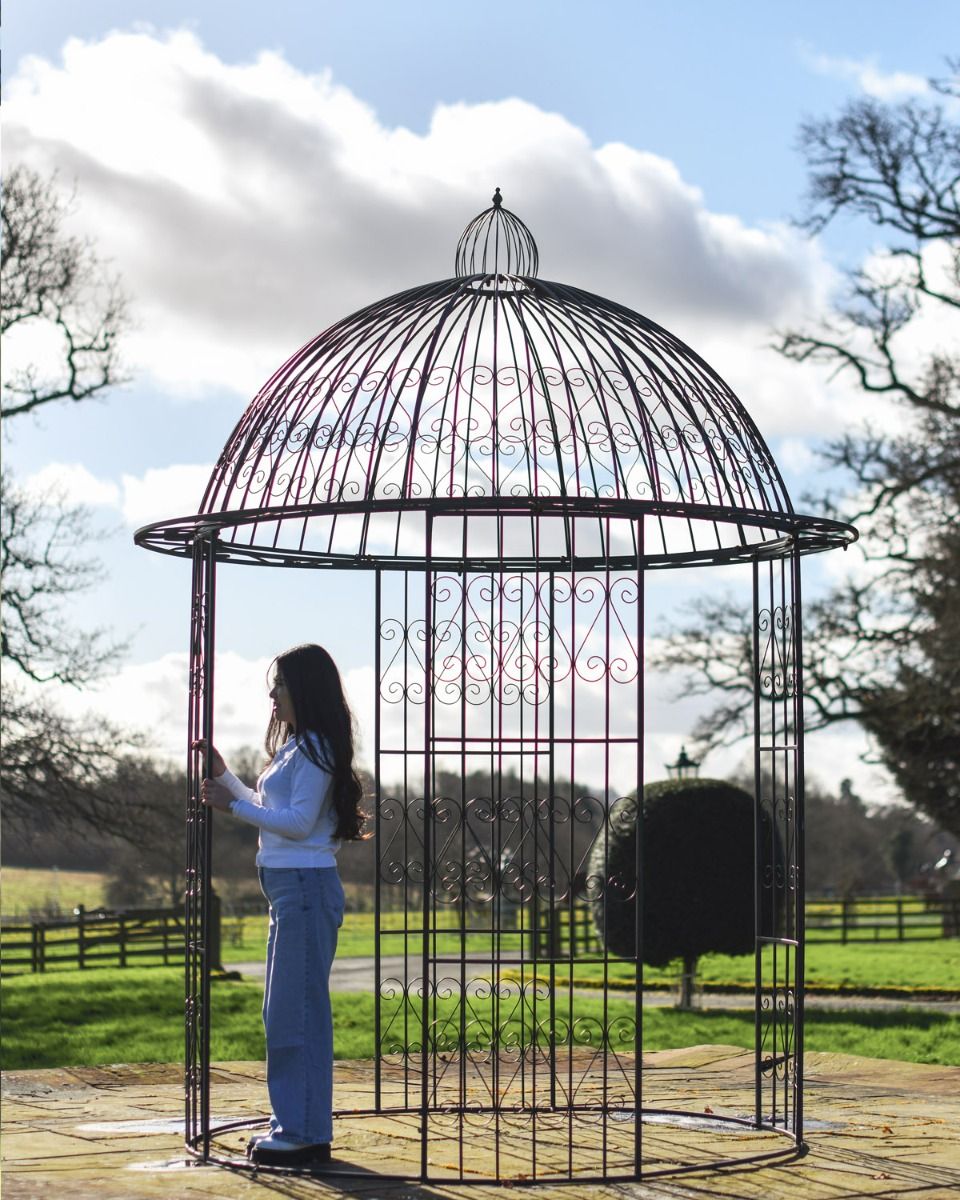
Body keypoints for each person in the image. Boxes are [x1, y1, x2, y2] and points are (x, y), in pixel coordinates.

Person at [197, 643, 365, 1167]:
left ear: (305, 689)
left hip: (306, 892)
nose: (273, 694)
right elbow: (276, 808)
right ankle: (296, 1124)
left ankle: (303, 1132)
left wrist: (235, 806)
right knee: (285, 1013)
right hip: (290, 891)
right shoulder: (299, 747)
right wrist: (226, 779)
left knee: (297, 1013)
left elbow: (294, 822)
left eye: (282, 685)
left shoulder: (317, 750)